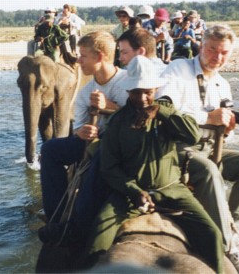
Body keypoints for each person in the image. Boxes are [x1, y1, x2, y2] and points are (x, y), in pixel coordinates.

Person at [86, 56, 224, 273]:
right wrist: (133, 190)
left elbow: (193, 135)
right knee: (98, 232)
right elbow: (109, 168)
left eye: (148, 92)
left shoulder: (167, 113)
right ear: (128, 92)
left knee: (212, 233)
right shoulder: (117, 122)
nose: (142, 97)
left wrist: (162, 112)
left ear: (155, 90)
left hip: (172, 190)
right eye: (136, 91)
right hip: (129, 195)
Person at [159, 24, 239, 274]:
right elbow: (164, 109)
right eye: (212, 50)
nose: (217, 58)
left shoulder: (222, 84)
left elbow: (218, 128)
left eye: (224, 53)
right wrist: (207, 118)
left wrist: (226, 130)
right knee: (208, 169)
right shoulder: (179, 69)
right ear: (201, 45)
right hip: (177, 148)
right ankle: (228, 249)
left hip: (208, 147)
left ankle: (238, 232)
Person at [39, 31, 129, 244]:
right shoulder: (85, 92)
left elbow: (138, 120)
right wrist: (82, 132)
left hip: (122, 145)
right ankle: (56, 215)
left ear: (100, 57)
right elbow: (80, 127)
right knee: (50, 149)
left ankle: (78, 225)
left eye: (83, 56)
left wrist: (110, 107)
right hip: (94, 141)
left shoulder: (127, 84)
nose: (78, 61)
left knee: (98, 155)